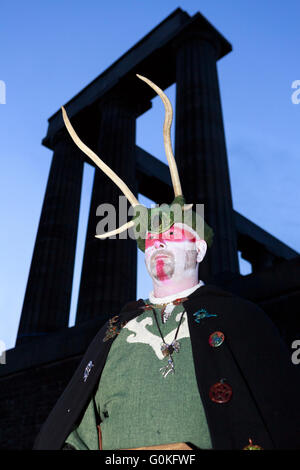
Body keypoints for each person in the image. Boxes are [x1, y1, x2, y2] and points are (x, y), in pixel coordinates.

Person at [33, 76, 300, 450]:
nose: (158, 244)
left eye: (172, 236)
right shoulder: (115, 330)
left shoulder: (244, 319)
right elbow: (77, 429)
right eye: (152, 240)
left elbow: (278, 417)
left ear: (200, 250)